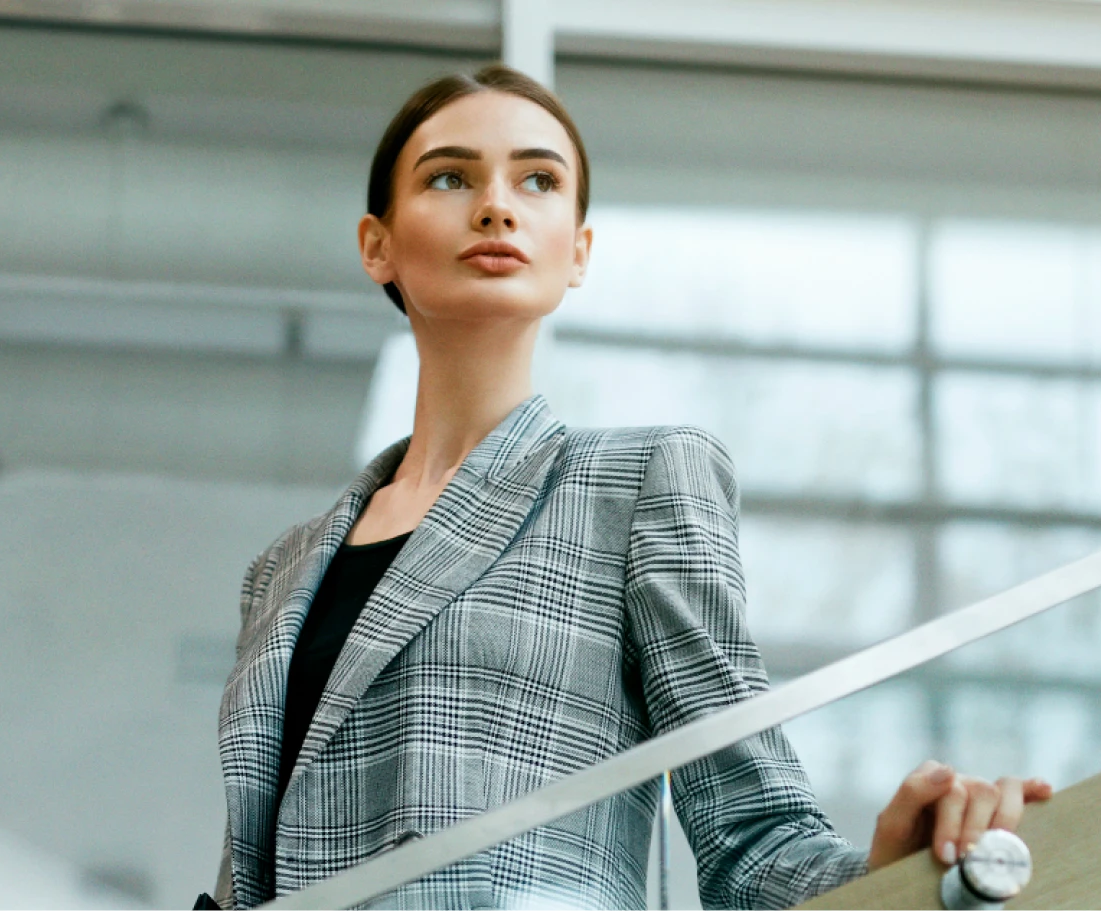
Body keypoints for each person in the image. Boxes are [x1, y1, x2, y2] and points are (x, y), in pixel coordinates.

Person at [212, 64, 1052, 911]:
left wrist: (889, 877)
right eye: (450, 177)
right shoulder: (282, 571)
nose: (496, 205)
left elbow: (750, 833)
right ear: (376, 245)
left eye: (538, 180)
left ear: (577, 250)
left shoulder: (639, 481)